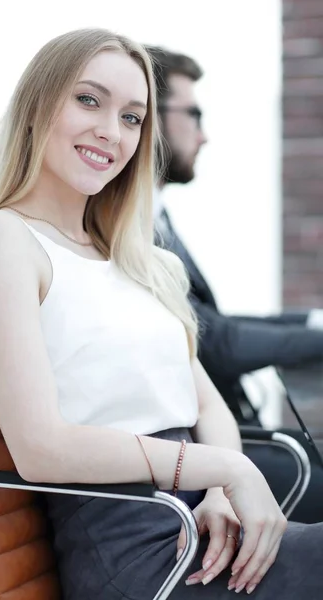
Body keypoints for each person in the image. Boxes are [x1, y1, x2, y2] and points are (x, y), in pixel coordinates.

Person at [0, 28, 323, 599]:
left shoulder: (138, 258)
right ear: (37, 105)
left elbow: (205, 403)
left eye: (133, 118)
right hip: (132, 549)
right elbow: (39, 446)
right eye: (88, 100)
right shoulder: (5, 238)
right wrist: (225, 470)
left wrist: (222, 489)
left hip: (197, 524)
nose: (111, 130)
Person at [145, 44, 323, 426]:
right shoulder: (130, 229)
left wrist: (311, 322)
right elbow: (214, 341)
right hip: (200, 441)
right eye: (193, 115)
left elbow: (212, 321)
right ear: (149, 118)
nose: (204, 135)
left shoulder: (157, 217)